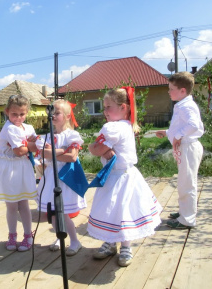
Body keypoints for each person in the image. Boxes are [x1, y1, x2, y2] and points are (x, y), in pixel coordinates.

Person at [87, 87, 162, 267]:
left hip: (120, 178)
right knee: (115, 210)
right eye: (104, 107)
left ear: (123, 107)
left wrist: (93, 147)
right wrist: (102, 149)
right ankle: (112, 243)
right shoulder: (126, 124)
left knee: (120, 211)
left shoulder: (113, 127)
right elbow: (103, 149)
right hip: (122, 175)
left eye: (108, 107)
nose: (104, 111)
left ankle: (123, 246)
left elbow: (97, 149)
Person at [0, 94, 37, 252]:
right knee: (11, 205)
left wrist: (32, 144)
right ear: (7, 111)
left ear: (27, 112)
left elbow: (35, 142)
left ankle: (28, 234)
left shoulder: (28, 128)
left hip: (22, 168)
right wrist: (32, 145)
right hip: (10, 169)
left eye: (22, 114)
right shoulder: (9, 128)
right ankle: (12, 234)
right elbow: (20, 150)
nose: (18, 117)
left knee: (24, 203)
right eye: (14, 114)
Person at [36, 99, 86, 256]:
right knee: (54, 212)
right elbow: (43, 155)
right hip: (50, 176)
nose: (53, 116)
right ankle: (60, 237)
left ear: (67, 116)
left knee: (63, 212)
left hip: (65, 178)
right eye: (51, 113)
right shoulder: (47, 137)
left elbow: (72, 157)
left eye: (57, 113)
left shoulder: (72, 135)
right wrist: (60, 151)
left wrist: (53, 153)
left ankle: (74, 241)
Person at [156, 72, 204, 229]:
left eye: (171, 89)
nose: (169, 92)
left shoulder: (186, 106)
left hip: (188, 148)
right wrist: (169, 133)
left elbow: (194, 125)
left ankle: (188, 219)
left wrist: (177, 136)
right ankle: (185, 211)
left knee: (187, 184)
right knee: (184, 182)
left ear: (182, 90)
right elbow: (182, 126)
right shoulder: (183, 104)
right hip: (185, 147)